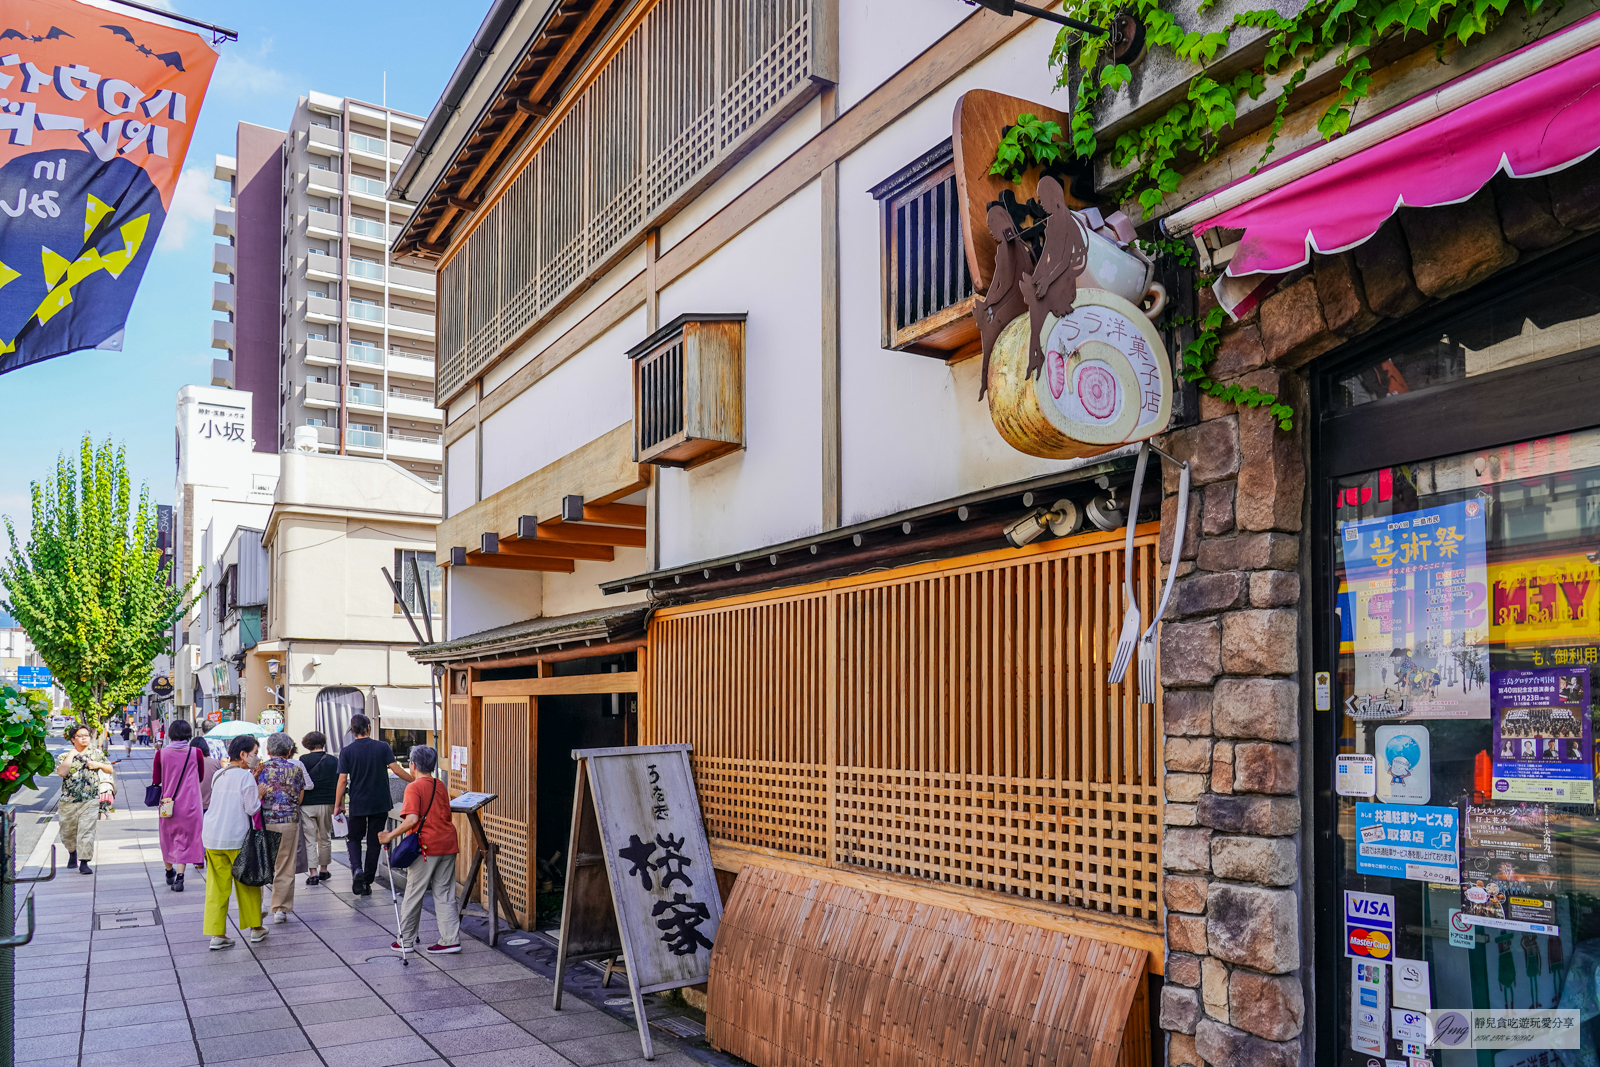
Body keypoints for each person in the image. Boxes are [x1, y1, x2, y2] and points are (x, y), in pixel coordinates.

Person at [379, 746, 460, 954]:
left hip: (426, 846)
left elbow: (412, 819)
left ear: (412, 765)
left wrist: (389, 835)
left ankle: (405, 939)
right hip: (448, 843)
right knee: (445, 893)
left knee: (414, 892)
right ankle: (450, 939)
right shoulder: (439, 785)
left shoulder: (413, 788)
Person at [202, 735, 271, 950]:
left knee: (216, 888)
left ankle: (217, 934)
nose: (256, 757)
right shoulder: (245, 777)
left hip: (213, 837)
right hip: (237, 837)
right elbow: (251, 808)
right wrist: (259, 794)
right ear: (243, 755)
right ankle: (255, 928)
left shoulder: (219, 774)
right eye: (254, 753)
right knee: (248, 885)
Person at [334, 714, 412, 896]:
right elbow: (396, 769)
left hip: (358, 802)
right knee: (374, 841)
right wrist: (416, 780)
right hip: (380, 801)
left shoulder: (347, 751)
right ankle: (367, 881)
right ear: (368, 727)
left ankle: (357, 870)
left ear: (352, 731)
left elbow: (342, 780)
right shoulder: (382, 747)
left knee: (353, 838)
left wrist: (337, 804)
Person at [257, 733, 306, 924]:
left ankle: (257, 904)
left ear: (268, 751)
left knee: (262, 863)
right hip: (288, 820)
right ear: (288, 751)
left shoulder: (259, 769)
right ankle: (280, 909)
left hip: (263, 820)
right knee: (285, 865)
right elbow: (300, 798)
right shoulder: (296, 770)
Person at [154, 720, 206, 892]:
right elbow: (200, 777)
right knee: (184, 839)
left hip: (168, 804)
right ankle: (181, 877)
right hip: (191, 804)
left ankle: (169, 872)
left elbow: (156, 780)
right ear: (189, 733)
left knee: (168, 838)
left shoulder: (160, 754)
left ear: (170, 733)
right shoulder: (196, 752)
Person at [54, 724, 112, 875]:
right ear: (73, 739)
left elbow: (109, 769)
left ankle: (84, 862)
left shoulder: (96, 753)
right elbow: (62, 772)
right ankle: (72, 852)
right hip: (68, 801)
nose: (84, 738)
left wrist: (97, 764)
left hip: (90, 799)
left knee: (87, 832)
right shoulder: (64, 756)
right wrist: (71, 755)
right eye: (80, 736)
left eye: (86, 735)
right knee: (67, 833)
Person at [299, 731, 337, 887]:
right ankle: (324, 870)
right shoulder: (334, 760)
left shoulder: (303, 760)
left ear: (307, 744)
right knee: (325, 837)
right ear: (323, 743)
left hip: (308, 803)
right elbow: (339, 782)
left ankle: (313, 873)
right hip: (328, 802)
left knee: (310, 839)